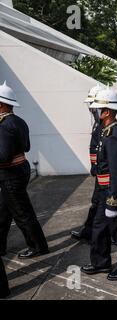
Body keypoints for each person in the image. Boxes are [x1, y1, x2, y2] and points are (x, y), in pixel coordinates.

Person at [80, 88, 117, 281]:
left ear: (107, 112)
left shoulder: (113, 136)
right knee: (99, 228)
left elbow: (116, 173)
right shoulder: (106, 131)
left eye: (98, 109)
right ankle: (101, 262)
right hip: (104, 189)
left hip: (113, 191)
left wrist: (113, 200)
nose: (94, 111)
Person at [0, 82, 49, 259]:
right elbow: (26, 147)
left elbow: (3, 156)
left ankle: (38, 246)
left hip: (10, 175)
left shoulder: (4, 125)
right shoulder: (19, 121)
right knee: (3, 211)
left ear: (1, 104)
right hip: (20, 169)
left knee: (22, 213)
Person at [71, 84, 117, 247]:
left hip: (106, 177)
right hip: (100, 173)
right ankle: (89, 232)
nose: (92, 108)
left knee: (109, 210)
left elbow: (105, 153)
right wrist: (94, 164)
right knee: (97, 206)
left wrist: (97, 165)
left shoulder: (107, 128)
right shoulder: (99, 124)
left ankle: (116, 236)